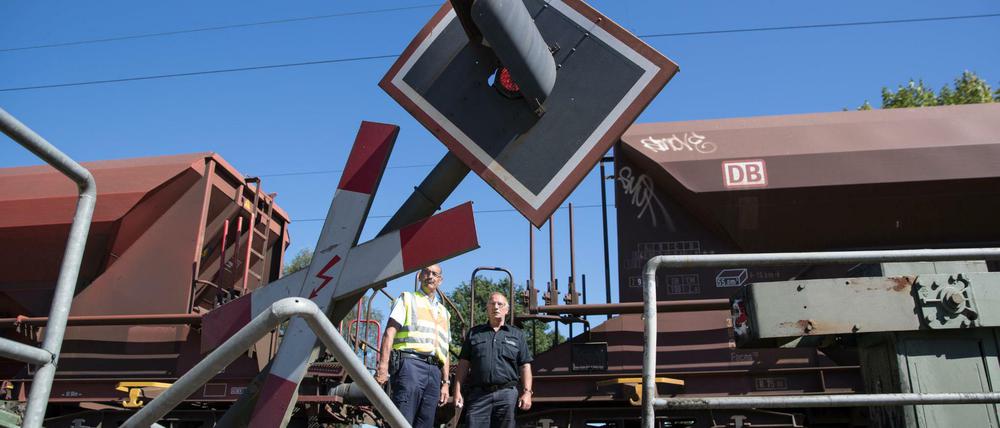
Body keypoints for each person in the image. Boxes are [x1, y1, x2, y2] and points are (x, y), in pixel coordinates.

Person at [375, 264, 451, 428]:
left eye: (434, 274)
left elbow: (445, 350)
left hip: (434, 371)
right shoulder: (407, 299)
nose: (430, 276)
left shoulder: (444, 312)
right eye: (426, 272)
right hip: (410, 366)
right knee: (403, 420)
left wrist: (446, 383)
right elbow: (389, 333)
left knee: (426, 422)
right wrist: (383, 367)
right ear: (419, 276)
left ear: (440, 280)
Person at [454, 292, 533, 428]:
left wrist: (527, 393)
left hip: (506, 395)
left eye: (500, 304)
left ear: (506, 310)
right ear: (487, 308)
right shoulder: (474, 333)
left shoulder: (517, 335)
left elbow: (525, 366)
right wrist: (457, 391)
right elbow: (463, 364)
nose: (495, 307)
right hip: (479, 395)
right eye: (492, 303)